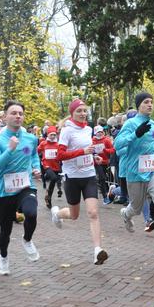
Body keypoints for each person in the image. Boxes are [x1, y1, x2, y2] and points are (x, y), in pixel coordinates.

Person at [51, 100, 109, 265]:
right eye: (79, 111)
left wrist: (93, 157)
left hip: (89, 175)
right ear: (72, 113)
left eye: (85, 111)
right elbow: (60, 155)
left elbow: (87, 150)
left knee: (93, 213)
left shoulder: (89, 129)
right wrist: (81, 152)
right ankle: (57, 214)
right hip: (72, 178)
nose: (83, 114)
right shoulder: (67, 131)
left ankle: (97, 250)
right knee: (74, 215)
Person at [114, 93, 154, 254]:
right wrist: (135, 135)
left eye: (152, 102)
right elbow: (117, 145)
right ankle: (126, 214)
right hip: (135, 172)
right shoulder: (131, 124)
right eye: (146, 102)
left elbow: (152, 145)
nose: (150, 105)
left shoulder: (153, 124)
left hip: (153, 171)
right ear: (139, 105)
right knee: (137, 209)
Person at [0, 100, 41, 275]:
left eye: (20, 113)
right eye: (13, 113)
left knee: (31, 213)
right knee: (5, 231)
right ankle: (3, 257)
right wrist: (9, 150)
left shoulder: (31, 139)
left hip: (26, 186)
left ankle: (27, 239)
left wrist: (36, 168)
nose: (18, 116)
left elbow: (33, 156)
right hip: (5, 190)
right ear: (4, 117)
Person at [37, 126, 62, 208]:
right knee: (54, 178)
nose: (53, 136)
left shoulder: (58, 144)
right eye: (51, 135)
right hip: (46, 165)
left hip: (55, 165)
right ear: (47, 135)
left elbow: (61, 154)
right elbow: (37, 151)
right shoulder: (44, 143)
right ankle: (47, 193)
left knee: (53, 181)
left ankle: (48, 198)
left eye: (54, 135)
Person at [92, 125, 115, 204]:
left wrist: (105, 150)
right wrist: (94, 154)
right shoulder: (92, 141)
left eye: (101, 132)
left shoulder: (106, 140)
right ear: (95, 133)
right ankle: (105, 196)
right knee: (102, 177)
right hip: (97, 162)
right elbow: (90, 151)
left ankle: (111, 193)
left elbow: (112, 150)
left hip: (106, 161)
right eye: (98, 132)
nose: (100, 133)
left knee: (110, 177)